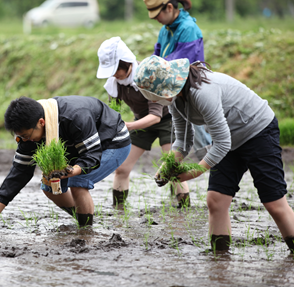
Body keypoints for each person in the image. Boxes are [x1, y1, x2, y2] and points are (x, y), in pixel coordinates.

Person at [134, 55, 294, 253]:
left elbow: (222, 142)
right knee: (216, 201)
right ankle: (219, 261)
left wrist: (193, 172)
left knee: (274, 203)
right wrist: (167, 166)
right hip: (228, 139)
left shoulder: (202, 92)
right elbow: (183, 141)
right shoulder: (175, 100)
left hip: (257, 131)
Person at [0, 95, 131, 229]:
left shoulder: (75, 116)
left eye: (26, 136)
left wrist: (71, 171)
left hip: (112, 140)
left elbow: (91, 155)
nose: (25, 141)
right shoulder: (29, 133)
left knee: (77, 181)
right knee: (49, 186)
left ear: (41, 122)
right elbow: (19, 172)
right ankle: (83, 219)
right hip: (77, 146)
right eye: (21, 137)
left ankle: (86, 233)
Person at [96, 36, 190, 208]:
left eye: (116, 70)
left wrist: (128, 126)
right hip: (141, 122)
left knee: (172, 167)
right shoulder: (114, 84)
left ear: (127, 63)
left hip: (168, 120)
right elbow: (113, 113)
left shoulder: (145, 75)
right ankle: (118, 210)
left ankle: (184, 211)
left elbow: (155, 117)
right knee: (122, 167)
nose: (114, 75)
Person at [143, 0, 212, 159]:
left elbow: (179, 63)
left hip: (192, 89)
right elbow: (157, 56)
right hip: (175, 89)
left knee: (201, 140)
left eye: (157, 14)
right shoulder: (165, 29)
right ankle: (175, 174)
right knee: (180, 138)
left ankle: (218, 173)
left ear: (169, 7)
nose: (154, 18)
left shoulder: (188, 28)